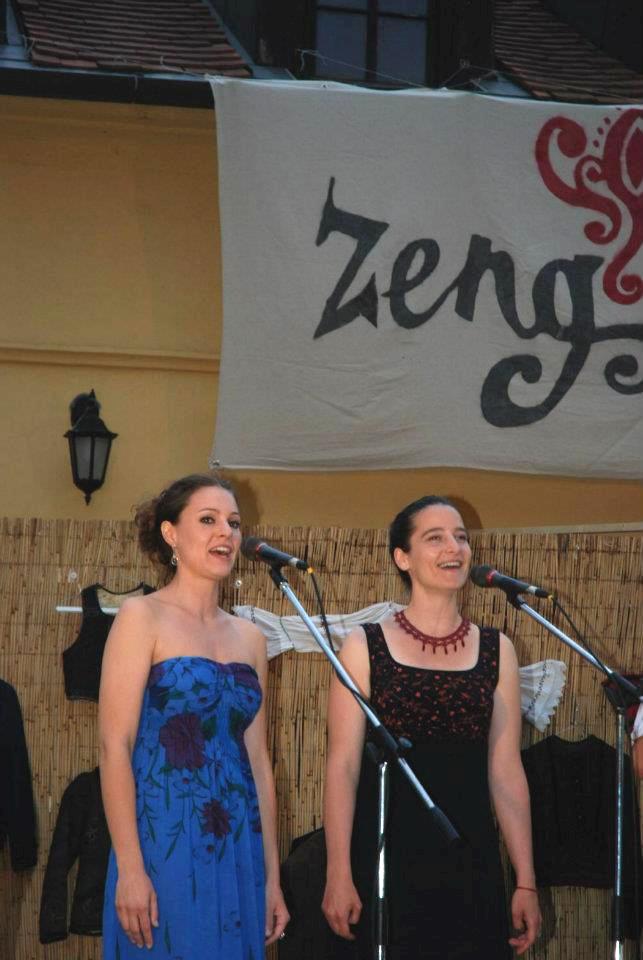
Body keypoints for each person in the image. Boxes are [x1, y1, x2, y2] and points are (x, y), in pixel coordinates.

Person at [322, 496, 541, 959]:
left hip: (471, 859)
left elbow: (505, 772)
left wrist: (526, 881)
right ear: (403, 557)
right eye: (435, 537)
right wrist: (337, 871)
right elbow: (342, 766)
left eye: (460, 537)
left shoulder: (497, 650)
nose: (454, 548)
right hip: (385, 860)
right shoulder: (364, 646)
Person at [99, 473, 289, 958]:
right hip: (163, 837)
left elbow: (258, 761)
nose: (225, 532)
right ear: (170, 534)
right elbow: (114, 746)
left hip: (239, 841)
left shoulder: (252, 639)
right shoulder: (140, 617)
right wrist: (130, 868)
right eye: (208, 520)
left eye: (233, 523)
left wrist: (271, 877)